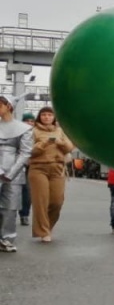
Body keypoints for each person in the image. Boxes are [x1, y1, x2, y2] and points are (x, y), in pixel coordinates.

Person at [27, 106, 73, 243]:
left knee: (57, 201)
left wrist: (60, 143)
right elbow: (29, 151)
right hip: (38, 168)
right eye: (44, 115)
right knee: (41, 202)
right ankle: (43, 231)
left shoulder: (60, 131)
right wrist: (42, 144)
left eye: (49, 115)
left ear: (54, 118)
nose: (47, 117)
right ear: (39, 117)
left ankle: (48, 226)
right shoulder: (32, 131)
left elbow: (69, 147)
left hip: (57, 169)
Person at [0, 94, 34, 252]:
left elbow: (26, 153)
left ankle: (7, 238)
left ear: (9, 106)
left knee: (11, 207)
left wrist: (10, 173)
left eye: (1, 104)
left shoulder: (25, 128)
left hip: (14, 171)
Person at [19, 111, 34, 227]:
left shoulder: (36, 134)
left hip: (31, 166)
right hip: (17, 166)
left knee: (27, 192)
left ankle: (24, 215)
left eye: (31, 121)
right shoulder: (17, 133)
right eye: (27, 120)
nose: (29, 123)